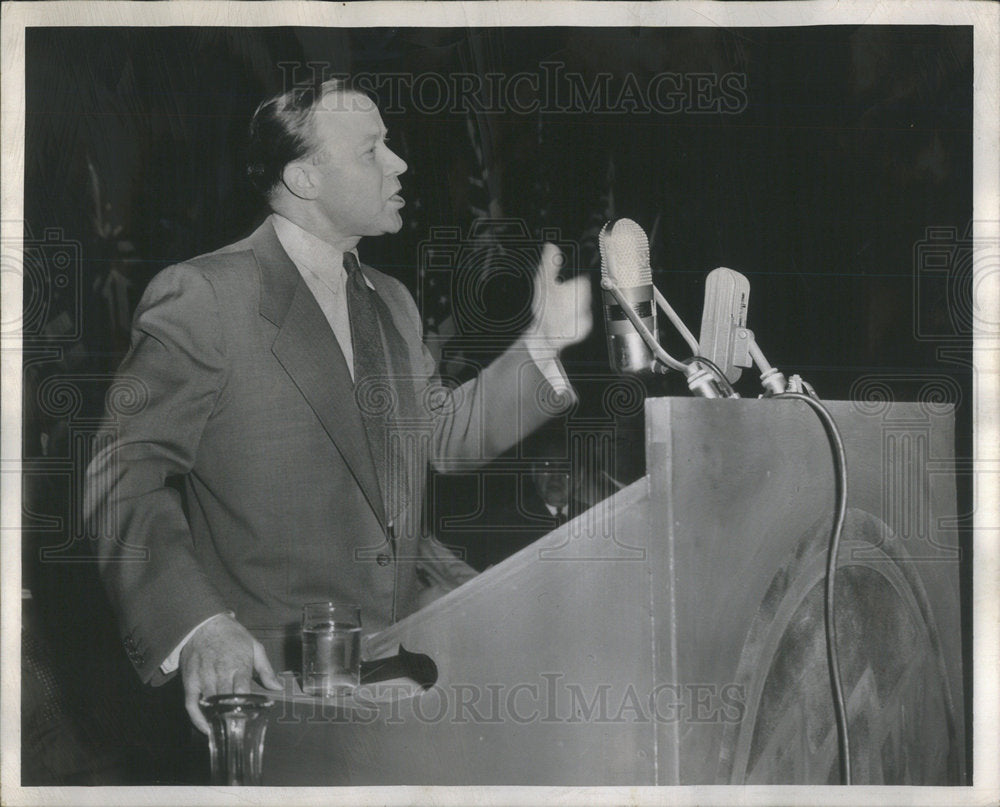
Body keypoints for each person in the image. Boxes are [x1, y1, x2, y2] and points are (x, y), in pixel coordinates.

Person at [84, 78, 592, 734]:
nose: (399, 163)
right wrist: (200, 626)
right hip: (277, 689)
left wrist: (543, 342)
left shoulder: (392, 301)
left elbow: (442, 434)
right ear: (304, 178)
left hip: (406, 670)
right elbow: (121, 474)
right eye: (373, 149)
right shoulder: (205, 295)